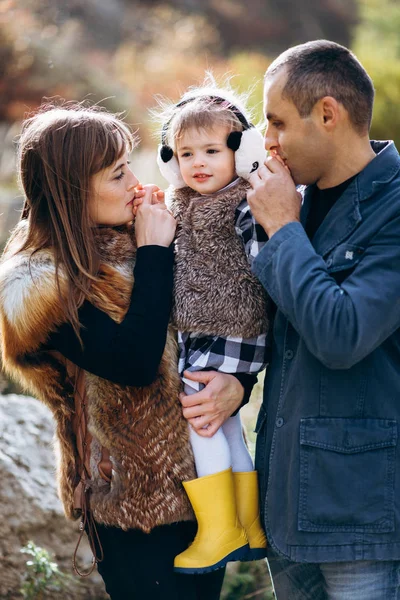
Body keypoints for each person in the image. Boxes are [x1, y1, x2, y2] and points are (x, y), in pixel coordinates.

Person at [0, 102, 250, 600]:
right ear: (73, 191)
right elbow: (133, 363)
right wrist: (156, 251)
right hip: (132, 507)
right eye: (117, 174)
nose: (136, 181)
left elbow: (219, 324)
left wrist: (237, 386)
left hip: (205, 490)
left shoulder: (127, 240)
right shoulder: (34, 284)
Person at [246, 39, 400, 599]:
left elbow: (342, 334)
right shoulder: (297, 199)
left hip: (358, 518)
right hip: (285, 498)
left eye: (278, 122)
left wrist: (284, 230)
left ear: (328, 115)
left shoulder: (395, 208)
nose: (268, 141)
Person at [148, 83, 269, 574]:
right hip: (210, 330)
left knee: (200, 421)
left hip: (231, 324)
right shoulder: (184, 201)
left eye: (212, 151)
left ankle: (219, 529)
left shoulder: (243, 200)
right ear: (170, 160)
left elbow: (266, 259)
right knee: (225, 428)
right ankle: (247, 523)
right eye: (186, 153)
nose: (198, 163)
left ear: (241, 151)